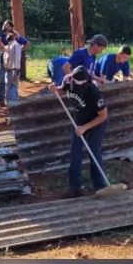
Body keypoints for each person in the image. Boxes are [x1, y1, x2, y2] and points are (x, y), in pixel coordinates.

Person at [50, 65, 109, 198]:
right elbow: (62, 90)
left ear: (87, 81)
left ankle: (100, 186)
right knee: (75, 152)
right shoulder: (68, 80)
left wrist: (85, 128)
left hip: (96, 122)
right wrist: (55, 89)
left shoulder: (94, 92)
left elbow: (103, 116)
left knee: (93, 150)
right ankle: (74, 188)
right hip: (79, 120)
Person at [0, 20, 29, 107]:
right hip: (5, 64)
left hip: (13, 67)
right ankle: (3, 100)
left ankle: (13, 103)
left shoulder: (16, 43)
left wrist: (20, 50)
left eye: (7, 25)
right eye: (4, 24)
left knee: (12, 84)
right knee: (4, 82)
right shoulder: (7, 42)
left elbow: (26, 43)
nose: (5, 26)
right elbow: (1, 47)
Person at [2, 32, 22, 104]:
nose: (9, 34)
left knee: (12, 87)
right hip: (9, 70)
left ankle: (13, 105)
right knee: (10, 87)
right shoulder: (9, 45)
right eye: (9, 34)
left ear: (15, 37)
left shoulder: (16, 45)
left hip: (13, 70)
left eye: (12, 34)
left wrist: (15, 72)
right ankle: (12, 103)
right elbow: (3, 48)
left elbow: (17, 59)